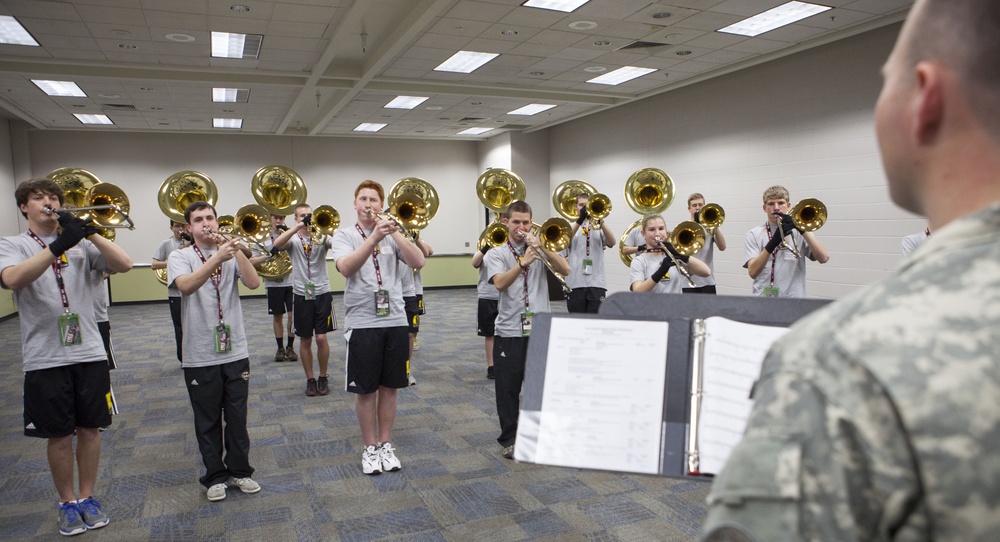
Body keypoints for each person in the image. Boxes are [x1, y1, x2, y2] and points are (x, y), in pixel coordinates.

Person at [701, 0, 1000, 539]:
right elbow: (750, 269)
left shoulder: (833, 359)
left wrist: (796, 229)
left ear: (926, 97)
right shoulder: (763, 238)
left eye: (887, 80)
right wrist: (774, 235)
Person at [0, 178, 132, 536]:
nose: (48, 201)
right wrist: (59, 244)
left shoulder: (81, 244)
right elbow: (13, 279)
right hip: (45, 356)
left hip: (89, 351)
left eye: (54, 197)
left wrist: (90, 232)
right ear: (24, 206)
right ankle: (67, 502)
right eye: (39, 197)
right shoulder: (12, 245)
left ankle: (88, 497)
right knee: (59, 436)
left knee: (90, 429)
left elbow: (123, 263)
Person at [167, 201, 262, 503]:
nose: (207, 223)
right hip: (199, 353)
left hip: (235, 351)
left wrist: (235, 252)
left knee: (237, 417)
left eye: (210, 217)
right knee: (207, 419)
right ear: (189, 228)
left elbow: (253, 282)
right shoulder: (179, 256)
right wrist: (217, 258)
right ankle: (214, 476)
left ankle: (240, 471)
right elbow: (186, 287)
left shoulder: (230, 254)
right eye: (199, 219)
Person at [332, 180, 426, 475]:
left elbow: (418, 261)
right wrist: (373, 238)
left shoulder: (392, 234)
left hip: (395, 319)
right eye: (363, 199)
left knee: (390, 387)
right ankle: (370, 448)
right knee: (366, 390)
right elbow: (346, 268)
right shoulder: (344, 235)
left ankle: (386, 444)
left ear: (382, 205)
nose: (368, 204)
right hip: (362, 322)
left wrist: (396, 233)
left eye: (374, 199)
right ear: (355, 204)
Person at [484, 200, 571, 459]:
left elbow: (565, 269)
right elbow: (500, 283)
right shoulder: (496, 253)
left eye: (526, 222)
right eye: (516, 222)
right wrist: (523, 263)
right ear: (505, 223)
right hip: (509, 331)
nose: (521, 227)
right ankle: (511, 439)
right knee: (508, 389)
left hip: (539, 329)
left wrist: (541, 246)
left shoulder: (539, 246)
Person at [271, 204, 338, 396]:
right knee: (306, 340)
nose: (307, 219)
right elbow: (277, 245)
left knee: (321, 338)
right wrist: (298, 226)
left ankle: (323, 376)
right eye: (302, 216)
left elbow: (338, 245)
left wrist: (328, 229)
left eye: (309, 216)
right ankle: (310, 379)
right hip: (301, 295)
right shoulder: (293, 239)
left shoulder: (322, 236)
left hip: (322, 293)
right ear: (296, 218)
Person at [743, 185, 829, 297]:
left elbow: (824, 258)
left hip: (794, 299)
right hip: (764, 298)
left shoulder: (800, 231)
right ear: (764, 208)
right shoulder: (754, 234)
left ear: (788, 205)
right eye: (771, 204)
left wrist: (801, 229)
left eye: (781, 203)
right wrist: (773, 242)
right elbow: (753, 272)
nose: (776, 208)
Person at [250, 215, 297, 363]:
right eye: (276, 218)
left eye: (282, 218)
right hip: (273, 282)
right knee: (278, 316)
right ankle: (280, 348)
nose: (279, 221)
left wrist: (286, 237)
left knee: (292, 316)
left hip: (291, 281)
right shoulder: (261, 237)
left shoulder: (290, 234)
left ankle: (290, 347)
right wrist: (267, 256)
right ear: (269, 218)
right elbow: (251, 260)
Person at [628, 214, 710, 293]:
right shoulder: (639, 261)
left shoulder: (672, 257)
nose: (657, 233)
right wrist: (660, 272)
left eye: (661, 229)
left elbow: (706, 272)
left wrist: (683, 256)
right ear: (643, 234)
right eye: (652, 229)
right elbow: (637, 291)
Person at [564, 193, 615, 313]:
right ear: (576, 206)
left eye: (587, 206)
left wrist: (600, 220)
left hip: (597, 283)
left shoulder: (598, 227)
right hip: (575, 284)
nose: (584, 209)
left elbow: (612, 242)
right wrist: (580, 220)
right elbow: (565, 240)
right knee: (576, 322)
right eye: (581, 205)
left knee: (595, 323)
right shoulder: (570, 227)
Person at [152, 219, 189, 363]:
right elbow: (154, 264)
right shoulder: (166, 244)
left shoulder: (193, 243)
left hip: (193, 292)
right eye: (177, 226)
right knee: (180, 328)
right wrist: (171, 262)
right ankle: (183, 358)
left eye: (183, 225)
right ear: (171, 228)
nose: (180, 229)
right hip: (176, 293)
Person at [683, 193, 726, 294]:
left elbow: (723, 247)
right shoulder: (684, 227)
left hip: (707, 281)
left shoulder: (710, 228)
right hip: (688, 282)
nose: (697, 208)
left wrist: (714, 225)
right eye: (694, 205)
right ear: (689, 208)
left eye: (700, 205)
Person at [471, 244, 499, 379]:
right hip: (487, 296)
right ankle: (491, 366)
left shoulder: (509, 252)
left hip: (508, 297)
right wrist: (486, 247)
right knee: (490, 334)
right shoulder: (484, 253)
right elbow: (474, 263)